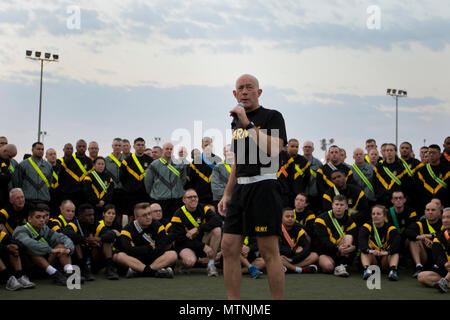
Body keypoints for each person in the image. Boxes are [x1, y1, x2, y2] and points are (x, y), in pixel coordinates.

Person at [218, 74, 287, 300]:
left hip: (265, 186)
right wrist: (227, 193)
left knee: (269, 252)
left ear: (259, 92)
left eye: (250, 88)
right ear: (235, 94)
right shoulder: (235, 121)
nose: (245, 91)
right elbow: (238, 160)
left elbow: (275, 150)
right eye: (240, 88)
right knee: (228, 247)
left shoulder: (272, 116)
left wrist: (248, 124)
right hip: (241, 189)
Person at [13, 205, 75, 286]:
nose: (42, 220)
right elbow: (29, 243)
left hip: (45, 263)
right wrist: (51, 250)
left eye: (43, 217)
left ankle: (69, 272)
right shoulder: (20, 230)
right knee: (33, 251)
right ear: (29, 219)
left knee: (61, 245)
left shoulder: (44, 228)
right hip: (29, 266)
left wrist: (69, 249)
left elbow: (62, 237)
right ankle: (55, 274)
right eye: (38, 217)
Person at [113, 202, 177, 278]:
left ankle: (140, 272)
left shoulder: (158, 226)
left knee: (173, 254)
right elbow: (128, 250)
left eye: (149, 214)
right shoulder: (127, 229)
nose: (148, 217)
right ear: (136, 217)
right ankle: (155, 271)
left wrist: (137, 249)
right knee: (119, 256)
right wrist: (149, 247)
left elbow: (161, 248)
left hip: (155, 259)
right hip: (136, 260)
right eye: (144, 215)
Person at [170, 189, 222, 276]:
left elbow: (218, 221)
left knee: (217, 230)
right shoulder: (177, 215)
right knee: (190, 261)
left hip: (202, 241)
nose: (193, 199)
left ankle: (211, 264)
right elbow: (180, 239)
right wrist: (203, 246)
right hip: (186, 245)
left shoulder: (204, 208)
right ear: (184, 200)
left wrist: (198, 228)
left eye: (195, 197)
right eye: (189, 197)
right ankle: (182, 264)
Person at [314, 195, 357, 277]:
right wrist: (337, 248)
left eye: (341, 205)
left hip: (341, 252)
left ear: (346, 207)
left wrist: (353, 247)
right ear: (332, 205)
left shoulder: (350, 221)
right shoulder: (321, 219)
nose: (339, 207)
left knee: (349, 237)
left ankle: (341, 265)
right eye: (336, 204)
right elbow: (323, 241)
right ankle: (324, 264)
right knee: (328, 267)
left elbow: (355, 238)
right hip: (325, 251)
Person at [76, 204, 119, 280]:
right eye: (88, 215)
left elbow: (111, 235)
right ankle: (85, 270)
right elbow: (68, 234)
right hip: (80, 260)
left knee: (105, 240)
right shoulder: (74, 224)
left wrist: (98, 239)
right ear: (81, 216)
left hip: (94, 260)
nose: (92, 217)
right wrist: (86, 240)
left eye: (93, 215)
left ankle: (109, 269)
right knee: (75, 243)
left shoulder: (95, 224)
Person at [144, 142, 186, 220]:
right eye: (167, 149)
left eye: (171, 149)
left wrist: (177, 189)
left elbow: (183, 180)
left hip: (176, 200)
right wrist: (155, 193)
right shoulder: (154, 165)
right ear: (163, 150)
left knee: (176, 222)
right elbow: (148, 182)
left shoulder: (180, 164)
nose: (169, 151)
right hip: (160, 200)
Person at [359, 205, 401, 281]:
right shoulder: (366, 227)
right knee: (364, 251)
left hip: (385, 260)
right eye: (373, 214)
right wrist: (370, 250)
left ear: (384, 217)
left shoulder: (391, 228)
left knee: (395, 252)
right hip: (373, 259)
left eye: (378, 214)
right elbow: (361, 241)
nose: (375, 216)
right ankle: (367, 270)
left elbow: (397, 243)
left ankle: (393, 271)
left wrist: (386, 252)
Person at [406, 201, 444, 278]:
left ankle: (438, 268)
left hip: (439, 259)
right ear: (424, 212)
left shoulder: (443, 224)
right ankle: (418, 266)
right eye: (428, 210)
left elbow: (442, 234)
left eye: (433, 210)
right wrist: (421, 238)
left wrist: (429, 236)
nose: (430, 212)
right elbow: (407, 231)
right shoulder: (421, 223)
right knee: (413, 240)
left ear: (439, 212)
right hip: (425, 256)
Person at [417, 207, 450, 293]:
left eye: (448, 217)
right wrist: (444, 263)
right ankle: (445, 283)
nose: (445, 220)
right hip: (447, 269)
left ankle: (445, 281)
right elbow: (437, 256)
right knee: (421, 277)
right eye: (444, 217)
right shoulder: (440, 236)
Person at [372, 143, 414, 208]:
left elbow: (406, 185)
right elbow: (374, 184)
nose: (389, 152)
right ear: (384, 153)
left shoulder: (402, 168)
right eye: (387, 150)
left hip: (397, 201)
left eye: (391, 150)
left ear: (395, 152)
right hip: (381, 201)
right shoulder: (378, 168)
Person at [13, 142, 55, 207]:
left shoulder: (48, 166)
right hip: (27, 200)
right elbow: (17, 182)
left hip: (43, 200)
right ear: (32, 150)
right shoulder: (23, 164)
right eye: (38, 149)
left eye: (42, 149)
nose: (41, 151)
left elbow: (49, 182)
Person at [120, 137, 153, 218]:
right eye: (138, 145)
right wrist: (129, 187)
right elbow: (122, 178)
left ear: (145, 147)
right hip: (131, 194)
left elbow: (153, 177)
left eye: (142, 145)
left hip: (145, 194)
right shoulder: (126, 161)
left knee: (146, 215)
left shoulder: (150, 160)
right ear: (134, 146)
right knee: (132, 216)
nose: (140, 147)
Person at [279, 208, 318, 274]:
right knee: (277, 257)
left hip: (295, 257)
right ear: (281, 218)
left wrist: (293, 259)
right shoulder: (276, 230)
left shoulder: (299, 228)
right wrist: (293, 251)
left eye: (292, 216)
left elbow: (306, 247)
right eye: (287, 216)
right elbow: (277, 248)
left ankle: (290, 268)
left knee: (314, 256)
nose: (290, 218)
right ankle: (300, 269)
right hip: (284, 256)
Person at [186, 137, 222, 205]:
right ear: (202, 146)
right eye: (205, 145)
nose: (208, 147)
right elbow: (190, 181)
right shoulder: (196, 161)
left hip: (215, 197)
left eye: (209, 145)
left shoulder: (218, 160)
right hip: (200, 198)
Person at [414, 144, 449, 212]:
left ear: (439, 155)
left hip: (444, 207)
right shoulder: (421, 171)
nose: (431, 155)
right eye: (429, 152)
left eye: (434, 153)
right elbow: (417, 191)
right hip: (425, 207)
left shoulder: (447, 170)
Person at [58, 139, 93, 207]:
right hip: (69, 193)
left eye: (83, 146)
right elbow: (61, 177)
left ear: (86, 148)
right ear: (76, 147)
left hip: (84, 194)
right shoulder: (68, 160)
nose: (81, 148)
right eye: (79, 146)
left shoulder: (90, 162)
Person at [83, 157, 115, 221]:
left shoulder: (109, 177)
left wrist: (104, 201)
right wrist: (97, 201)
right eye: (99, 164)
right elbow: (88, 191)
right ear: (94, 165)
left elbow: (110, 192)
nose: (101, 166)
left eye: (102, 164)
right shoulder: (89, 177)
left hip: (105, 205)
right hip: (92, 205)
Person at [105, 138, 126, 224]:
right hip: (110, 191)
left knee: (120, 214)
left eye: (119, 145)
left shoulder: (127, 160)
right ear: (112, 146)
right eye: (115, 145)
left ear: (122, 147)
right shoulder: (106, 160)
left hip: (122, 191)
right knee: (109, 212)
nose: (117, 147)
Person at [302, 141, 323, 212]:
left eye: (309, 147)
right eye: (305, 147)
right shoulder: (297, 162)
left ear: (313, 149)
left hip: (314, 197)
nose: (307, 149)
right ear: (302, 149)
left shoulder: (318, 164)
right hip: (300, 196)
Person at [211, 144, 234, 209]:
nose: (229, 153)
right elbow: (215, 188)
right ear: (224, 153)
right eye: (227, 151)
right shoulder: (218, 167)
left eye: (231, 150)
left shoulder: (241, 166)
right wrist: (233, 193)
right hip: (222, 201)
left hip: (238, 201)